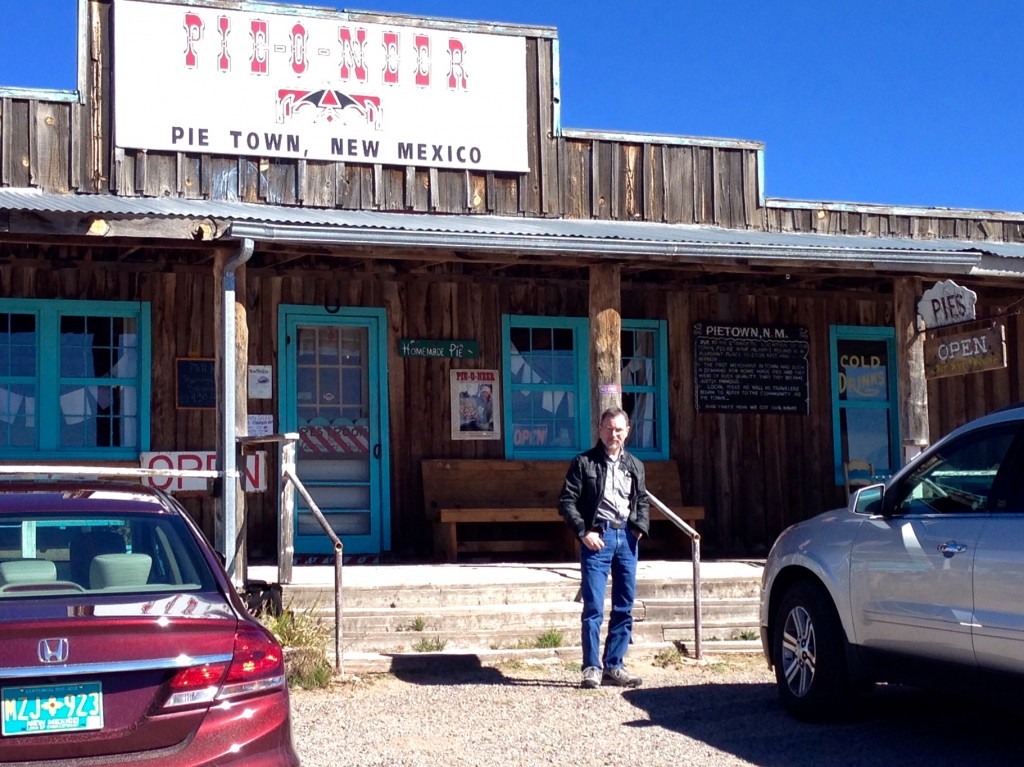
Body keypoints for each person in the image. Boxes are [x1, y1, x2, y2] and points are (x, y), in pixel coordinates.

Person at [558, 406, 650, 689]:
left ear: (627, 431)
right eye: (609, 428)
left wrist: (639, 529)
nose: (614, 434)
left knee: (624, 605)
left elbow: (642, 501)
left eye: (619, 429)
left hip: (627, 539)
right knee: (594, 605)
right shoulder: (584, 463)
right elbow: (566, 501)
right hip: (598, 538)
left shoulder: (635, 465)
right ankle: (591, 667)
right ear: (600, 429)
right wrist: (583, 531)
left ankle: (615, 664)